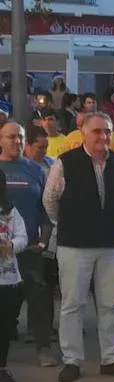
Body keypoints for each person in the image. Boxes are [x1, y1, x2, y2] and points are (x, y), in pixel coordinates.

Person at [42, 113, 114, 382]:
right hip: (75, 245)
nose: (102, 137)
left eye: (107, 131)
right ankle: (71, 360)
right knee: (72, 304)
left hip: (111, 244)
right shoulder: (65, 163)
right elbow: (50, 199)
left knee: (110, 304)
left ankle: (111, 358)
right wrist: (68, 223)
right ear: (82, 132)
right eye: (96, 131)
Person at [0, 120, 55, 366]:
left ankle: (43, 348)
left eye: (20, 137)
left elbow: (47, 211)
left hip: (30, 248)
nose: (17, 142)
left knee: (39, 299)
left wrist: (43, 243)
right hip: (2, 252)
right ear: (1, 140)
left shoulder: (36, 170)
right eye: (11, 137)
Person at [0, 171, 28, 382]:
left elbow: (22, 237)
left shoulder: (10, 212)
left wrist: (11, 246)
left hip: (7, 278)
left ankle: (1, 367)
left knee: (5, 325)